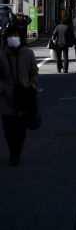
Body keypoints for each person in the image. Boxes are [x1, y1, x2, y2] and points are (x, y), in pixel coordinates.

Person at [0, 24, 38, 165]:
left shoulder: (28, 53)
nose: (13, 38)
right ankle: (13, 151)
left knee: (21, 129)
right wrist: (3, 89)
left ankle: (16, 153)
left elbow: (34, 72)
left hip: (24, 96)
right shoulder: (2, 54)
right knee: (9, 130)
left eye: (16, 35)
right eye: (11, 36)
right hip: (7, 99)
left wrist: (31, 85)